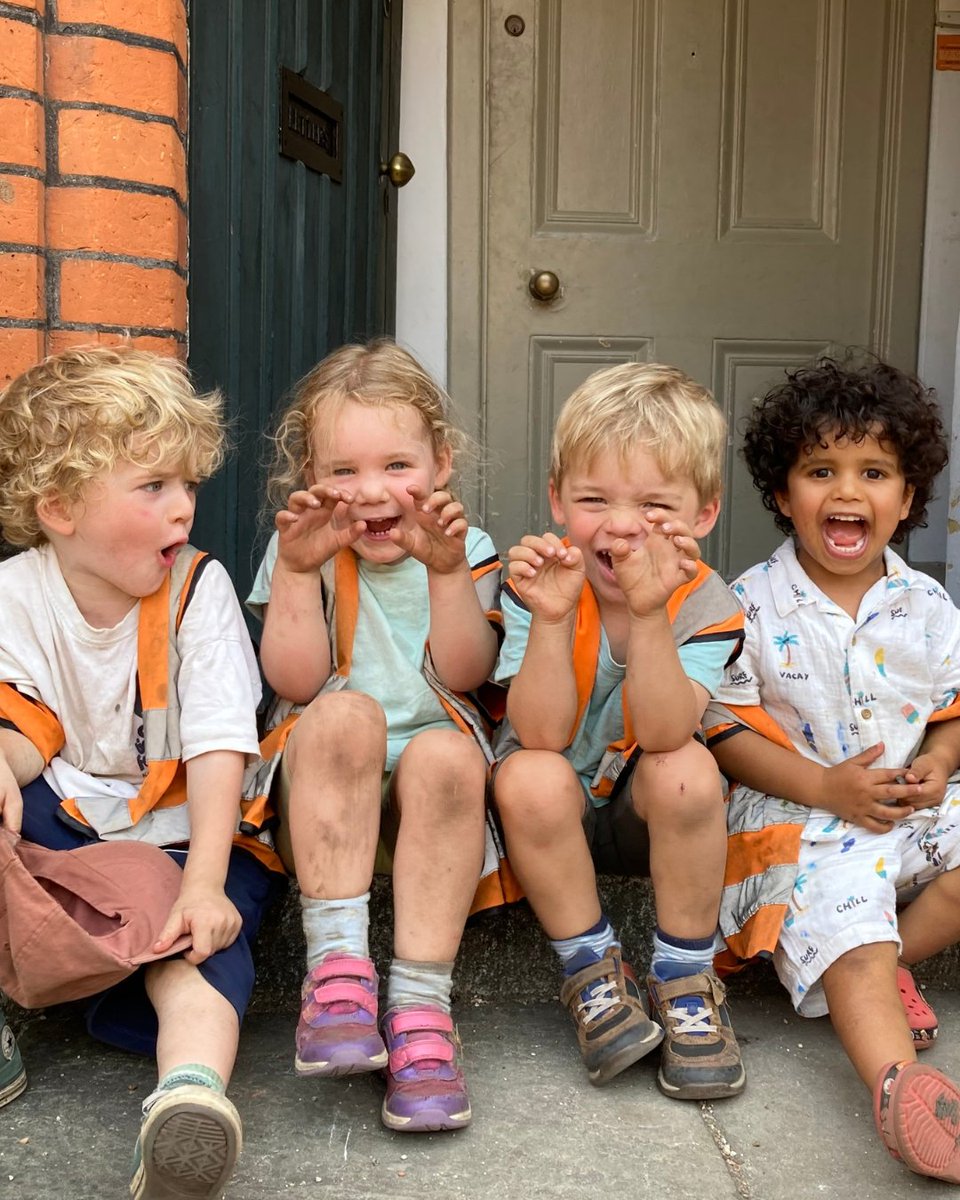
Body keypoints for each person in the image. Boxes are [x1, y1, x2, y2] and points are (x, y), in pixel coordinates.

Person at [0, 346, 286, 1199]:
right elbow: (22, 723)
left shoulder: (198, 591)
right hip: (72, 834)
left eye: (188, 485)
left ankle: (189, 1099)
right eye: (152, 487)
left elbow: (217, 749)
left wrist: (202, 885)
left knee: (197, 946)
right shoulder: (17, 595)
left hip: (190, 837)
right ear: (59, 509)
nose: (184, 510)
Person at [705, 357, 960, 1181]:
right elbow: (724, 731)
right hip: (800, 822)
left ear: (908, 498)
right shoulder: (748, 604)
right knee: (851, 924)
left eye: (874, 472)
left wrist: (938, 759)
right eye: (821, 470)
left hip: (901, 813)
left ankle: (888, 969)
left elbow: (953, 707)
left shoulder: (926, 606)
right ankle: (903, 1088)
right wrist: (821, 786)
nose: (847, 490)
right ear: (783, 495)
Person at [247, 339, 502, 1133]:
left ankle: (422, 1016)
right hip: (328, 773)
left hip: (434, 778)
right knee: (345, 711)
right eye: (343, 472)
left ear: (441, 463)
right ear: (310, 477)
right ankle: (337, 978)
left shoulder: (467, 550)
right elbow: (293, 681)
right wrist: (293, 574)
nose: (370, 493)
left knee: (449, 748)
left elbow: (465, 674)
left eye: (397, 465)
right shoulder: (304, 552)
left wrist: (449, 571)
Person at [492, 362, 746, 1099]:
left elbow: (668, 729)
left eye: (655, 505)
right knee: (530, 774)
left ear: (703, 515)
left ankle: (684, 978)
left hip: (645, 808)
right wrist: (547, 618)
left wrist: (649, 612)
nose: (623, 524)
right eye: (593, 499)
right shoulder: (540, 583)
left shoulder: (704, 602)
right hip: (553, 809)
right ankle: (593, 971)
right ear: (556, 500)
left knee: (688, 768)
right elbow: (537, 734)